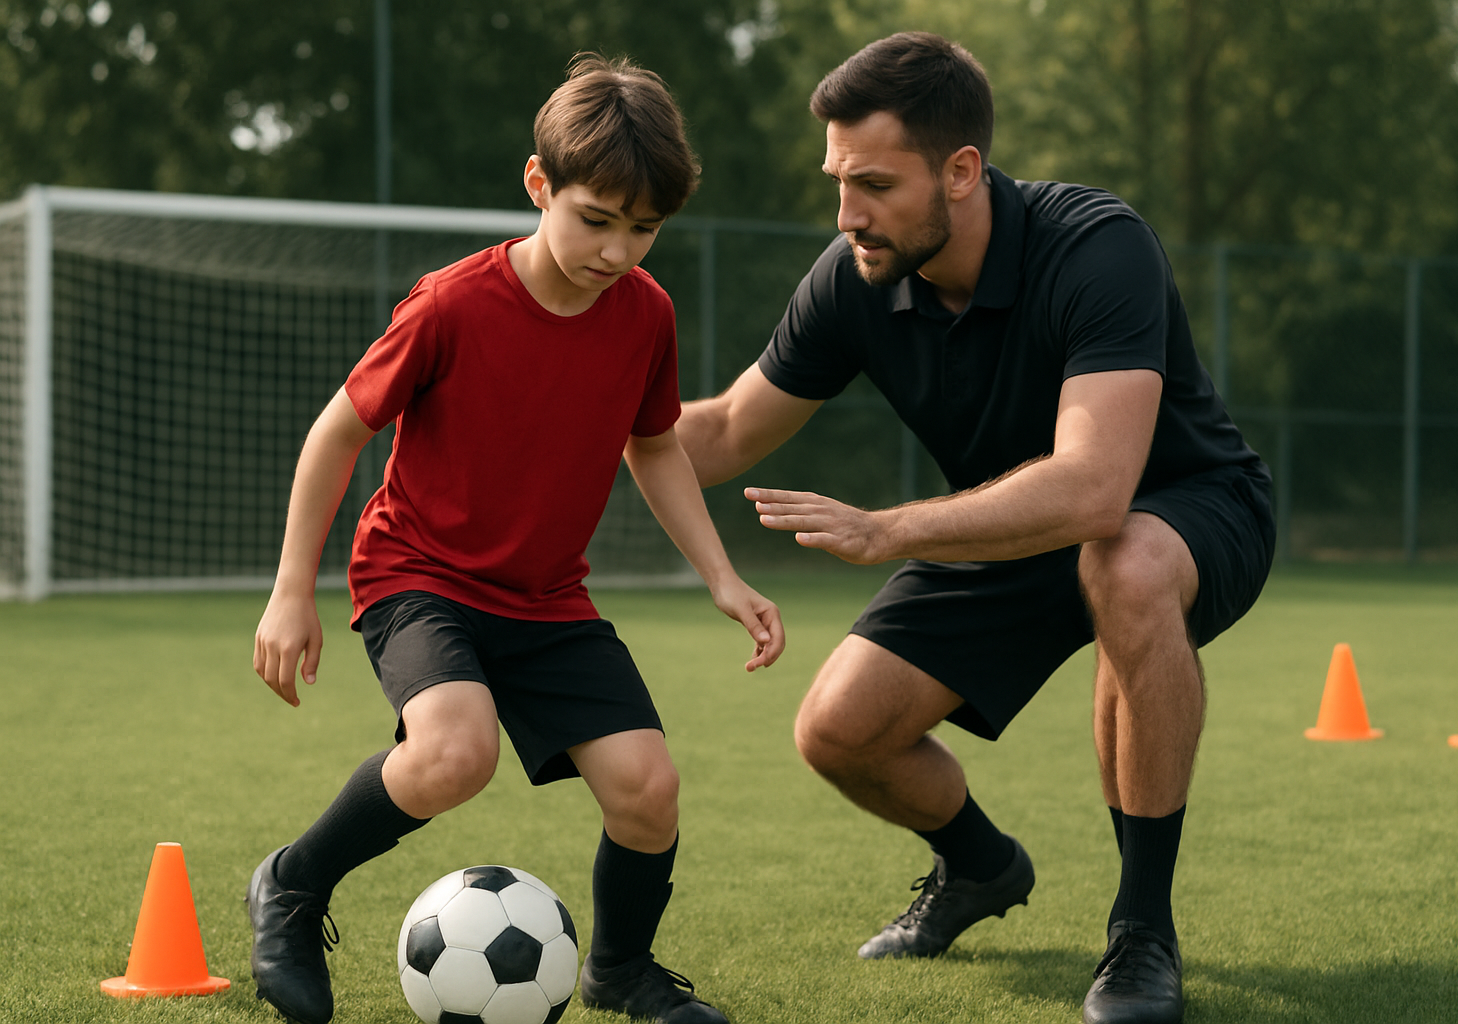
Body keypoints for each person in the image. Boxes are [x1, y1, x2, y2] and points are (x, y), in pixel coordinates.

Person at [676, 32, 1273, 1024]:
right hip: (1020, 529)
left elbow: (1094, 489)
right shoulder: (854, 275)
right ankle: (981, 866)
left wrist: (886, 530)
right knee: (838, 731)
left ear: (961, 171)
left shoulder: (1095, 244)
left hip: (1185, 509)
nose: (847, 214)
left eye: (873, 183)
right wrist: (570, 407)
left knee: (1119, 561)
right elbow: (728, 430)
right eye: (837, 181)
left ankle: (1140, 928)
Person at [247, 54, 783, 1024]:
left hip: (545, 597)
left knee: (646, 787)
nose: (617, 251)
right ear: (539, 185)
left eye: (644, 229)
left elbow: (655, 444)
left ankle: (619, 969)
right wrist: (293, 588)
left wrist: (721, 576)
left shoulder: (645, 316)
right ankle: (291, 883)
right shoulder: (452, 303)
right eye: (596, 218)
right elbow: (337, 430)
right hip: (419, 574)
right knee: (456, 753)